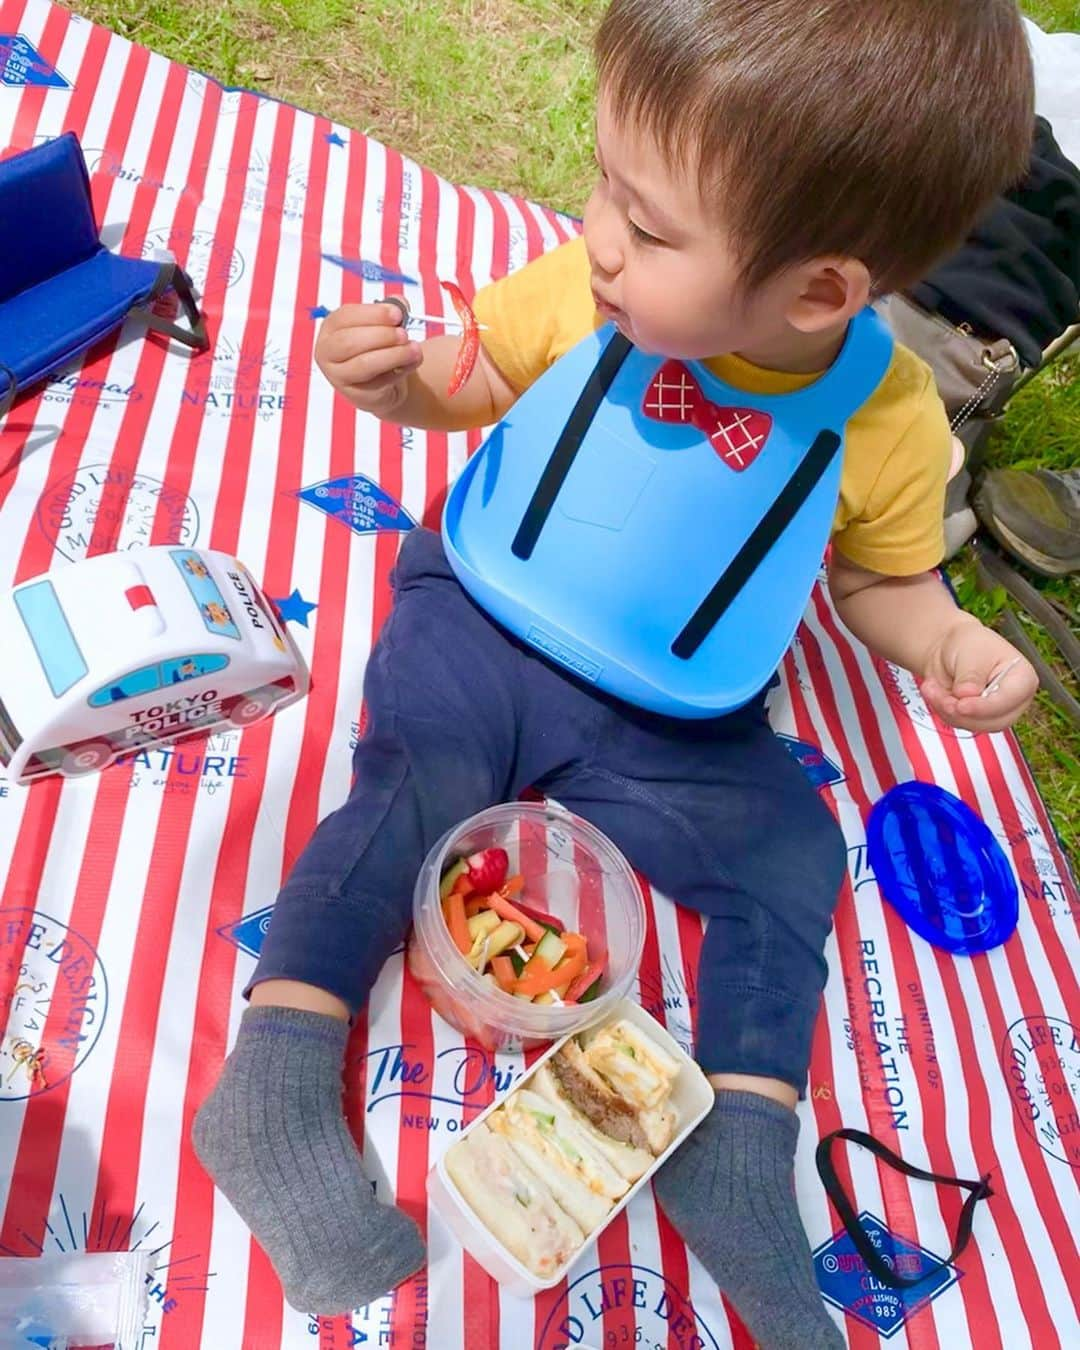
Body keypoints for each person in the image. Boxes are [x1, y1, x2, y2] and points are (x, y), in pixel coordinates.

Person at [193, 1, 1039, 1343]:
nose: (594, 238)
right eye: (603, 182)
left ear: (822, 290)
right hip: (484, 612)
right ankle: (278, 1073)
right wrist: (393, 384)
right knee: (417, 783)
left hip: (679, 713)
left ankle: (737, 1144)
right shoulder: (577, 290)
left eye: (647, 228)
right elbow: (466, 382)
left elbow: (883, 581)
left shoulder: (885, 419)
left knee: (792, 855)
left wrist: (951, 642)